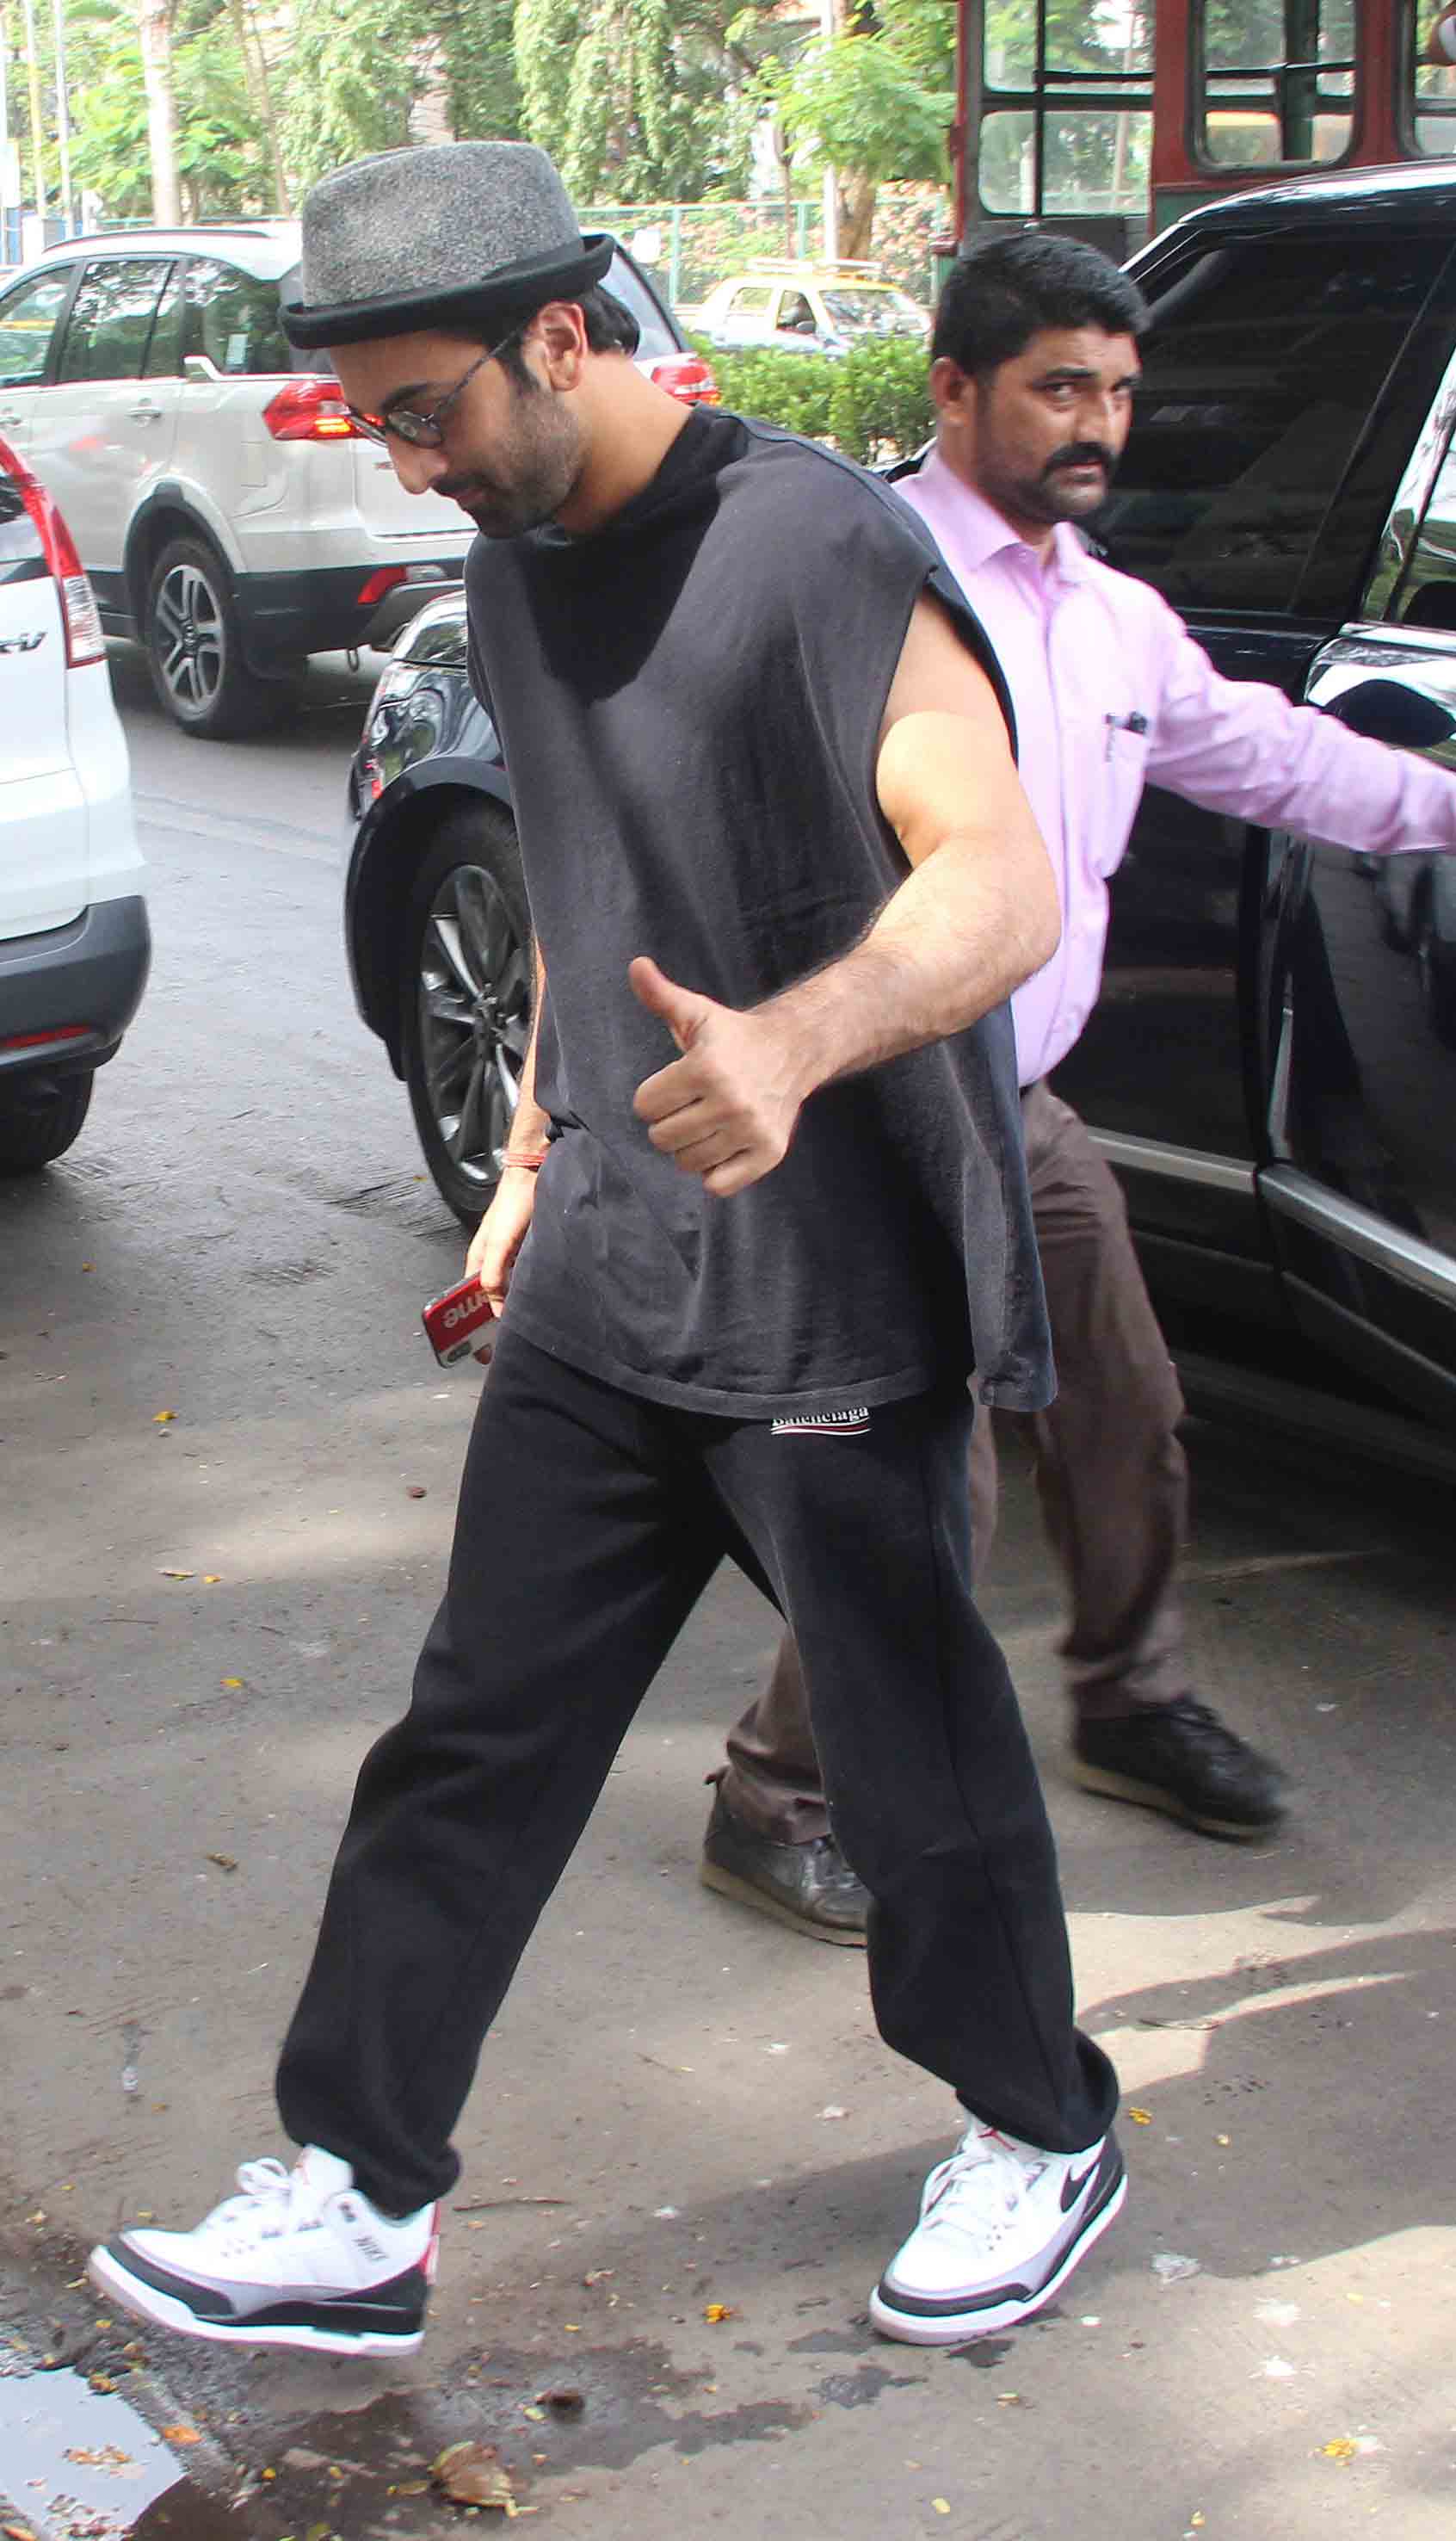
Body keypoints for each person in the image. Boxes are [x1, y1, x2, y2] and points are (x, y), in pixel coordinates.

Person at [87, 145, 1124, 2359]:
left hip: (832, 1282)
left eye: (424, 407)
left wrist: (802, 1039)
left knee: (916, 1763)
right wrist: (540, 1146)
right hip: (610, 1273)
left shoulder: (817, 547)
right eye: (368, 417)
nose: (405, 455)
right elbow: (593, 883)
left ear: (564, 338)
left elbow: (1001, 881)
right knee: (475, 1732)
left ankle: (1041, 2126)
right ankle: (360, 2191)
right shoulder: (516, 562)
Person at [704, 229, 1456, 1946]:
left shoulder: (1114, 621)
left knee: (1124, 1411)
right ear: (956, 388)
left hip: (1024, 1107)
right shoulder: (854, 576)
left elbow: (1265, 755)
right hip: (868, 1106)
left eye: (1119, 387)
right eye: (1059, 386)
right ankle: (778, 1796)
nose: (1098, 421)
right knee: (924, 1475)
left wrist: (1442, 803)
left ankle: (1126, 1700)